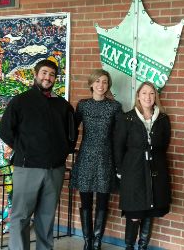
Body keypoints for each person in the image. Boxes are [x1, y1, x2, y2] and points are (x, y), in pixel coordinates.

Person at [0, 59, 76, 250]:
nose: (47, 77)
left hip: (55, 170)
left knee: (46, 217)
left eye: (51, 74)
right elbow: (5, 130)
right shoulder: (20, 101)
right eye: (44, 73)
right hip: (28, 167)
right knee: (21, 216)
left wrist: (61, 154)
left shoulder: (63, 106)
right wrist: (24, 149)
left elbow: (71, 136)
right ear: (36, 74)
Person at [114, 81, 172, 250]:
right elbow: (118, 147)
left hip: (156, 170)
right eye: (144, 93)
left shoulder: (162, 118)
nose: (148, 97)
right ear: (138, 96)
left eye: (151, 93)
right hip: (133, 170)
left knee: (149, 213)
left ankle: (143, 247)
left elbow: (164, 144)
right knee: (135, 213)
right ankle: (129, 247)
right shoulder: (127, 118)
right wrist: (120, 170)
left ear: (156, 96)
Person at [70, 69, 122, 250]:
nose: (101, 85)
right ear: (91, 84)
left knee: (102, 201)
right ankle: (87, 241)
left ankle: (97, 241)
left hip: (106, 158)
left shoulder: (115, 107)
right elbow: (72, 130)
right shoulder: (82, 105)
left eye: (105, 82)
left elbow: (119, 136)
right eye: (98, 81)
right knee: (85, 201)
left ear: (108, 86)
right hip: (85, 156)